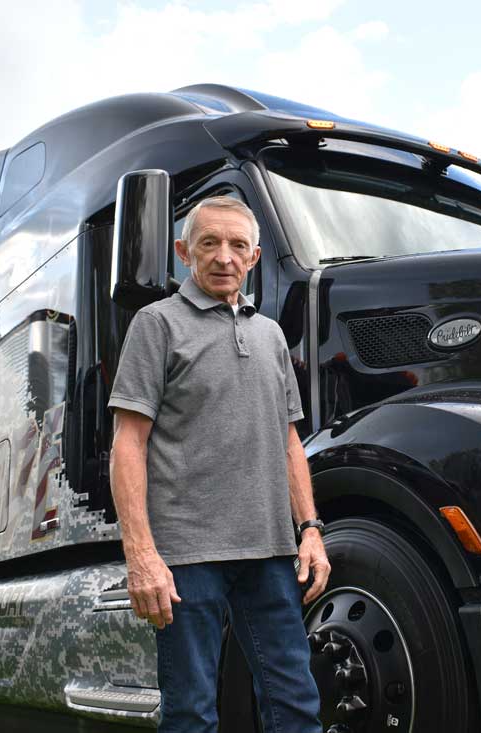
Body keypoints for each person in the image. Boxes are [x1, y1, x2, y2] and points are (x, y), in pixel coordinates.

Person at [107, 195, 328, 733]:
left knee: (296, 705)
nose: (223, 256)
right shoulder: (156, 324)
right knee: (191, 713)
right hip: (186, 558)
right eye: (209, 243)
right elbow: (128, 445)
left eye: (237, 245)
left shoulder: (271, 335)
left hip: (272, 555)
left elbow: (289, 440)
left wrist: (310, 530)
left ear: (253, 257)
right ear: (185, 252)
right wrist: (142, 555)